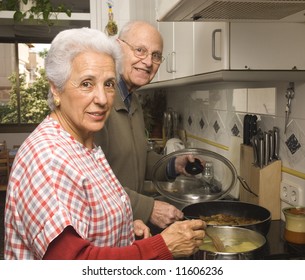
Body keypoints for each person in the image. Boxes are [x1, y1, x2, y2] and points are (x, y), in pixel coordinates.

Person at [4, 28, 205, 260]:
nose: (101, 99)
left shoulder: (85, 145)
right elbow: (74, 263)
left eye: (109, 84)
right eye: (87, 84)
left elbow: (91, 219)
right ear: (56, 89)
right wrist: (162, 247)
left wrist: (123, 231)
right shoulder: (47, 158)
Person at [96, 21, 189, 229]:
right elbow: (92, 182)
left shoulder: (133, 101)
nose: (148, 62)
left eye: (156, 56)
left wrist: (173, 165)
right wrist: (148, 208)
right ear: (119, 47)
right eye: (140, 50)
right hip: (104, 230)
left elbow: (138, 158)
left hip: (127, 226)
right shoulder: (99, 104)